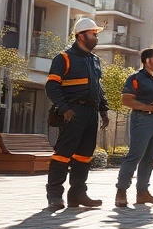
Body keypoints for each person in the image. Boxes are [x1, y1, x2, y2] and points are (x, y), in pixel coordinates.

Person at [44, 17, 110, 211]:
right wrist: (64, 109)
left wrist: (103, 110)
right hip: (73, 113)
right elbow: (51, 86)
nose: (96, 38)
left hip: (91, 114)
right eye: (93, 34)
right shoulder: (63, 58)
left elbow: (99, 87)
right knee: (62, 155)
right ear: (81, 36)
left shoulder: (95, 60)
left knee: (84, 156)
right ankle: (55, 196)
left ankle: (77, 195)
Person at [114, 48, 153, 208]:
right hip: (142, 119)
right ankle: (121, 192)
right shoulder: (136, 78)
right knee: (135, 155)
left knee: (150, 157)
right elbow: (126, 100)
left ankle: (142, 193)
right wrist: (148, 107)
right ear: (147, 60)